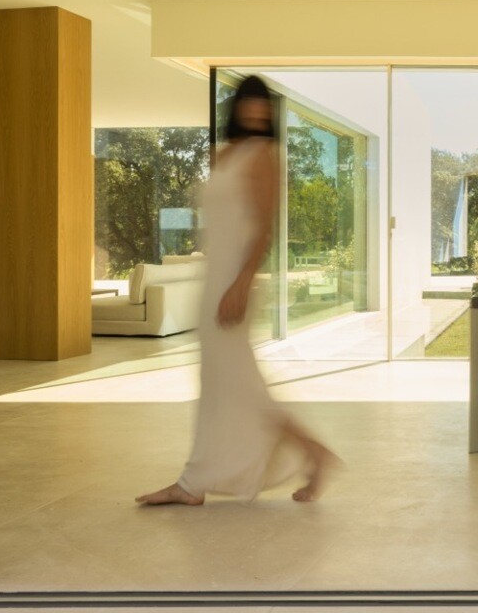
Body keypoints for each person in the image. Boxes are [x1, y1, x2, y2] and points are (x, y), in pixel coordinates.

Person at [137, 76, 338, 506]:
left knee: (239, 386)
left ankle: (197, 482)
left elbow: (263, 228)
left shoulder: (265, 155)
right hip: (216, 278)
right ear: (237, 107)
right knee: (220, 385)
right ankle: (200, 479)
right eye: (248, 102)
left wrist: (242, 283)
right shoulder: (222, 154)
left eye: (261, 103)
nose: (255, 110)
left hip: (236, 282)